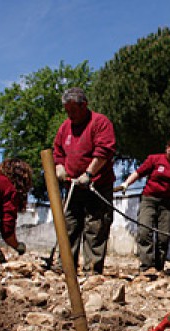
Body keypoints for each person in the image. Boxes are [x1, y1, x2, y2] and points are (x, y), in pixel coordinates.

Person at [53, 87, 117, 274]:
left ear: (84, 105)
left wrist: (89, 174)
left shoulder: (100, 122)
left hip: (97, 185)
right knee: (69, 226)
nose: (70, 114)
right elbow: (58, 152)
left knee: (95, 227)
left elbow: (104, 151)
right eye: (67, 111)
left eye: (73, 110)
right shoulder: (65, 128)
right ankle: (65, 266)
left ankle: (92, 270)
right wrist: (59, 167)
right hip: (72, 187)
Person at [119, 137, 170, 272]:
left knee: (164, 236)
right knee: (144, 231)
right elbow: (138, 173)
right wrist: (126, 183)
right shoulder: (154, 159)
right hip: (149, 199)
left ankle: (158, 267)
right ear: (166, 148)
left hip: (167, 204)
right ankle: (146, 266)